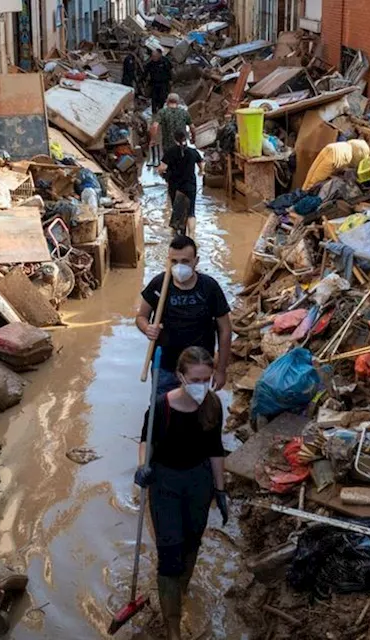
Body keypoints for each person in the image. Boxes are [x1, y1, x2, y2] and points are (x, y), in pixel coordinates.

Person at [134, 346, 229, 640]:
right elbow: (145, 442)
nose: (201, 386)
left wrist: (221, 490)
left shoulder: (212, 405)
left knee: (192, 544)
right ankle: (173, 626)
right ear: (180, 376)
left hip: (198, 482)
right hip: (166, 484)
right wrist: (142, 468)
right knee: (170, 554)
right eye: (196, 379)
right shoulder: (160, 408)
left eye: (206, 379)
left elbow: (215, 451)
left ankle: (180, 590)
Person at [137, 235, 232, 396]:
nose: (179, 267)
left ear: (196, 261)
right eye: (174, 262)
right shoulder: (159, 285)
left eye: (185, 261)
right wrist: (147, 328)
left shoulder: (209, 288)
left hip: (198, 370)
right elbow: (141, 317)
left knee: (195, 411)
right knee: (162, 410)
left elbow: (225, 330)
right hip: (165, 365)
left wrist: (221, 369)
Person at [158, 128, 203, 237]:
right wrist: (201, 171)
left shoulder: (170, 152)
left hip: (175, 186)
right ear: (186, 138)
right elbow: (201, 163)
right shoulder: (193, 152)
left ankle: (178, 233)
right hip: (190, 185)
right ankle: (191, 236)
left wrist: (162, 175)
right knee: (191, 212)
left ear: (174, 139)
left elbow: (162, 168)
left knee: (177, 208)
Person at [150, 92, 191, 168]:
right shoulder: (184, 113)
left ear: (167, 101)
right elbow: (192, 127)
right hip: (182, 144)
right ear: (178, 102)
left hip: (168, 146)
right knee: (182, 164)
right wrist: (193, 138)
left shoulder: (162, 112)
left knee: (169, 165)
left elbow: (154, 126)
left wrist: (153, 139)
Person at [145, 48, 174, 113]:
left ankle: (160, 110)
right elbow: (145, 72)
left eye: (155, 56)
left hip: (163, 83)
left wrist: (171, 80)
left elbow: (170, 71)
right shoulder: (151, 63)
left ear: (159, 55)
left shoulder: (165, 61)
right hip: (154, 83)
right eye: (152, 56)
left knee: (162, 98)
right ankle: (154, 112)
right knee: (154, 98)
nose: (153, 58)